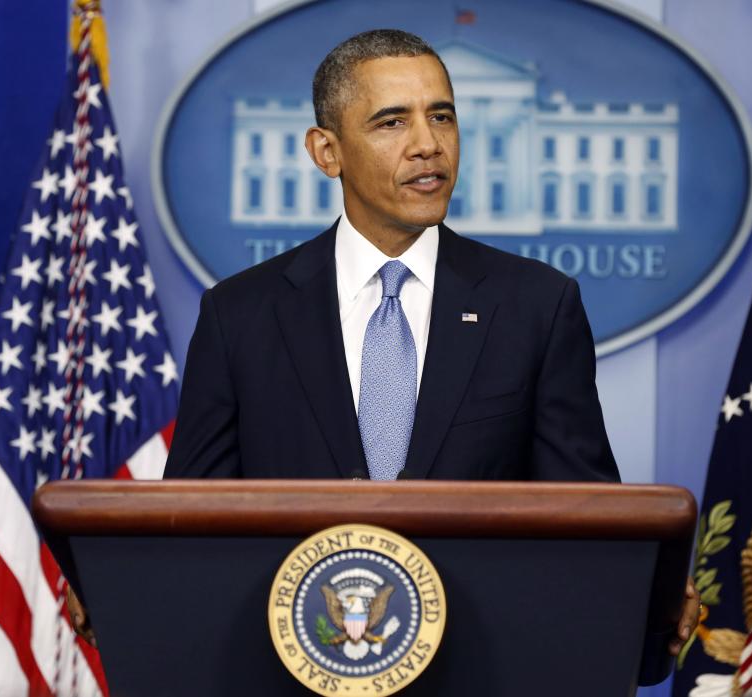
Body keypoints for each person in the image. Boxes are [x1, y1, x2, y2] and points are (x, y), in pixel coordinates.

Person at [68, 28, 698, 655]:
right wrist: (122, 592)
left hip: (482, 668)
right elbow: (194, 520)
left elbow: (584, 519)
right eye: (392, 122)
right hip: (287, 669)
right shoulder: (242, 314)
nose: (428, 145)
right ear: (326, 150)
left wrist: (645, 618)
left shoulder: (536, 306)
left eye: (442, 117)